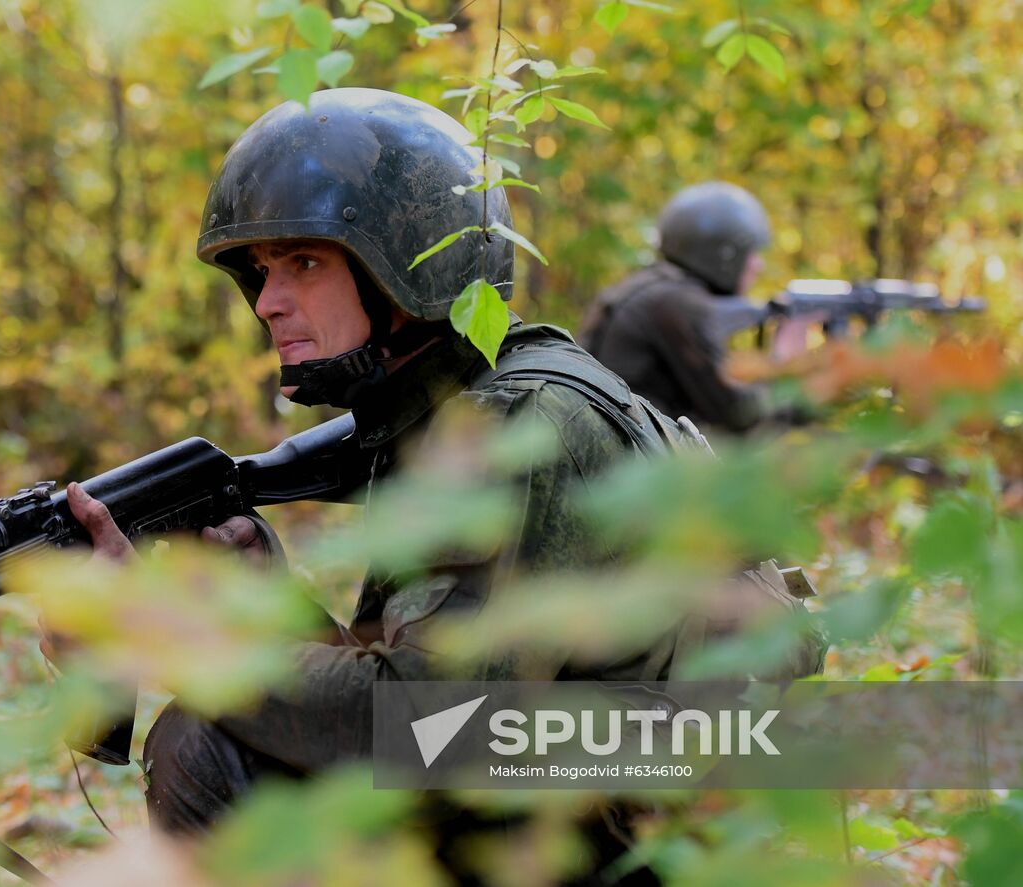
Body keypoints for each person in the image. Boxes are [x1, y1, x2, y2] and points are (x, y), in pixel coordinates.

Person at [45, 90, 810, 880]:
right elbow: (425, 691)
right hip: (600, 796)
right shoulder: (454, 406)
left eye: (303, 263)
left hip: (665, 831)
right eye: (263, 273)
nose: (269, 302)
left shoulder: (514, 423)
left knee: (205, 741)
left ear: (406, 264)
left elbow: (428, 733)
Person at [578, 181, 775, 436]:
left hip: (605, 446)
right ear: (725, 253)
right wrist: (783, 362)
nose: (758, 265)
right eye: (752, 253)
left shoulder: (648, 287)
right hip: (626, 461)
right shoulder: (677, 302)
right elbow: (739, 417)